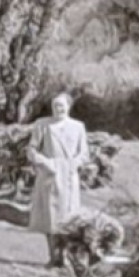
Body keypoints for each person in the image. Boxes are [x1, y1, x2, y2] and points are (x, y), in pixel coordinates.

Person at [27, 92, 89, 266]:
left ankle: (67, 257)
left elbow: (84, 154)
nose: (58, 109)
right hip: (50, 175)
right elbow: (31, 150)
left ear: (69, 107)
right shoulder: (43, 125)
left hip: (69, 176)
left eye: (62, 106)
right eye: (55, 106)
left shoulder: (78, 127)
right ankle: (53, 257)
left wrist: (74, 164)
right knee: (51, 217)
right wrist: (46, 163)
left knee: (69, 217)